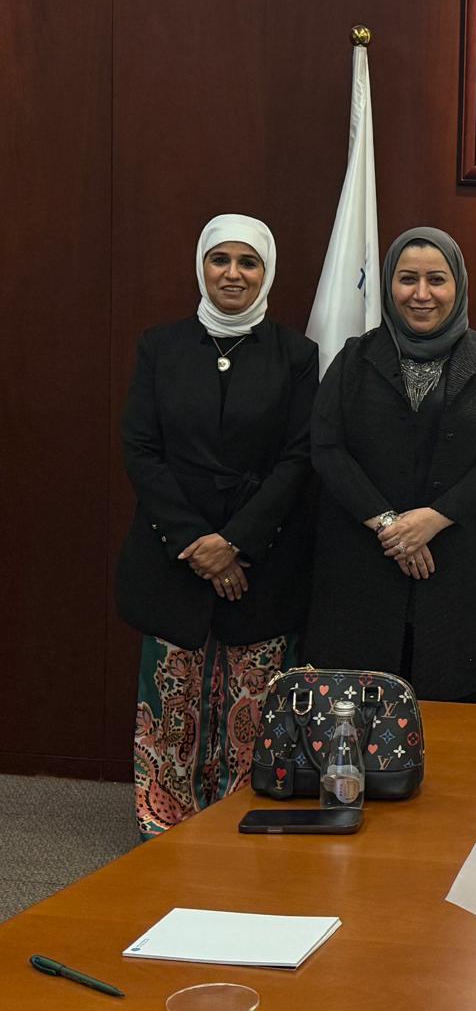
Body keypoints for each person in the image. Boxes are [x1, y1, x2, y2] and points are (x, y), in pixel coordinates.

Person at [118, 215, 318, 837]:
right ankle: (163, 827)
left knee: (252, 704)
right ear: (201, 266)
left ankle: (237, 829)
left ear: (267, 272)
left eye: (248, 262)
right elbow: (141, 450)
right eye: (220, 259)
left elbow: (300, 458)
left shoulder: (296, 355)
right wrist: (195, 543)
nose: (233, 274)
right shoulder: (160, 347)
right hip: (172, 554)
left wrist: (234, 544)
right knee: (171, 702)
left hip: (261, 558)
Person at [303, 228, 476, 700]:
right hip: (364, 567)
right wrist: (392, 526)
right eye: (407, 279)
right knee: (361, 716)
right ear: (389, 284)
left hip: (459, 568)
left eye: (436, 280)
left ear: (458, 285)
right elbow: (326, 448)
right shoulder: (354, 359)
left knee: (453, 715)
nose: (421, 294)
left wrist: (432, 519)